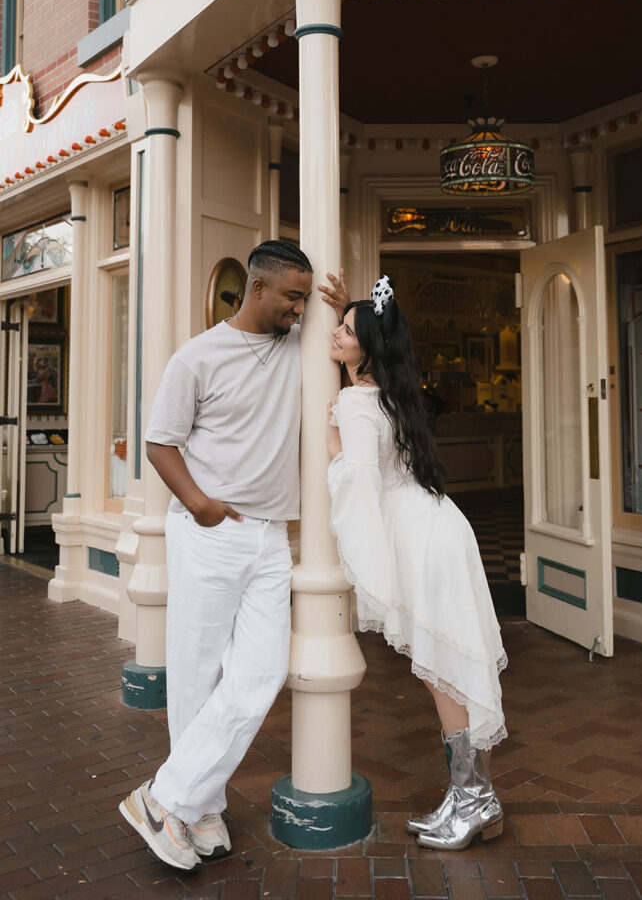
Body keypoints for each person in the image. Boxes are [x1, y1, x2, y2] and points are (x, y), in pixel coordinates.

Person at [119, 240, 348, 870]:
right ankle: (201, 806)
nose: (300, 310)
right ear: (257, 289)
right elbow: (160, 442)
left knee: (260, 672)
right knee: (198, 676)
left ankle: (165, 799)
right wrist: (200, 505)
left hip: (271, 535)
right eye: (292, 297)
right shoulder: (197, 357)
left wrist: (341, 306)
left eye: (306, 299)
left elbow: (346, 342)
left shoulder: (298, 342)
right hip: (211, 531)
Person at [326, 276, 507, 852]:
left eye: (346, 332)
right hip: (442, 527)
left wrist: (329, 450)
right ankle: (471, 797)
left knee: (441, 669)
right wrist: (353, 314)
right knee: (447, 663)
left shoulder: (357, 402)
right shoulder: (392, 392)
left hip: (419, 539)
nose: (334, 334)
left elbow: (357, 478)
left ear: (366, 349)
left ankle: (474, 799)